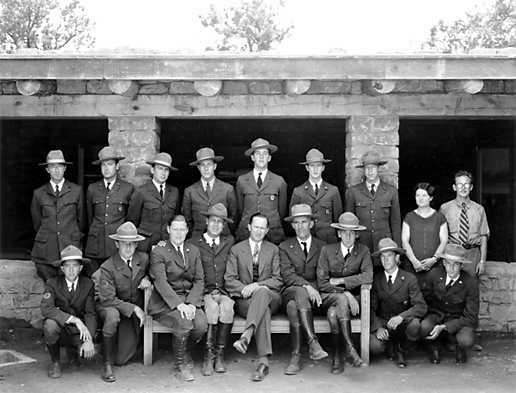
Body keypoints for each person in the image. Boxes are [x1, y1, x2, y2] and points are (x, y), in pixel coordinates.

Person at [148, 215, 207, 382]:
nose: (179, 233)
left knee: (201, 325)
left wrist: (191, 304)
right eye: (175, 229)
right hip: (165, 302)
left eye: (182, 229)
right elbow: (160, 281)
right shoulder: (159, 251)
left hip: (189, 300)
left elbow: (199, 280)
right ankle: (180, 365)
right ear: (168, 229)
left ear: (187, 231)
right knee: (184, 322)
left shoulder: (193, 250)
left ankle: (184, 351)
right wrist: (180, 305)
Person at [225, 213, 283, 382]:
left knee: (263, 292)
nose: (258, 231)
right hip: (245, 301)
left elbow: (278, 279)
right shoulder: (236, 249)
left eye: (262, 228)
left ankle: (247, 335)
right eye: (256, 227)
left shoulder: (273, 249)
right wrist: (245, 289)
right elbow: (229, 279)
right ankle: (263, 362)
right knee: (262, 310)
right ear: (249, 227)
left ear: (267, 230)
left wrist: (256, 286)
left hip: (271, 297)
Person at [317, 212, 373, 373]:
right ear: (339, 233)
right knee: (341, 300)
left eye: (352, 233)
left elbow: (368, 276)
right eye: (344, 232)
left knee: (333, 315)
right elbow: (322, 283)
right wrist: (346, 293)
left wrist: (342, 281)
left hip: (352, 301)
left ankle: (337, 356)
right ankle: (350, 350)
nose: (348, 236)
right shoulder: (327, 250)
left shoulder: (363, 251)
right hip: (328, 296)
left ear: (357, 234)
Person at [97, 222, 151, 383]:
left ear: (136, 244)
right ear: (116, 244)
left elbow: (153, 274)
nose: (128, 248)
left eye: (132, 244)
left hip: (134, 311)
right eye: (124, 244)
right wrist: (134, 308)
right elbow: (108, 299)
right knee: (118, 359)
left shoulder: (144, 258)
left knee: (123, 356)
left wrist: (148, 278)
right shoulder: (107, 267)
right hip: (115, 307)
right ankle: (106, 362)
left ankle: (135, 342)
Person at [279, 204, 328, 375]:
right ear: (292, 225)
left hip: (314, 299)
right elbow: (287, 276)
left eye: (304, 222)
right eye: (296, 223)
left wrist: (313, 289)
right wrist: (307, 287)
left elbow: (323, 275)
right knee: (298, 292)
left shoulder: (322, 246)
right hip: (290, 291)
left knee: (294, 307)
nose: (300, 226)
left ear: (311, 224)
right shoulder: (284, 246)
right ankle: (313, 342)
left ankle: (296, 356)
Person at [188, 203, 235, 375]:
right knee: (212, 308)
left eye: (220, 222)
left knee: (227, 307)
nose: (216, 225)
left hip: (223, 291)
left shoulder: (229, 242)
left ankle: (219, 355)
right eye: (213, 220)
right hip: (205, 292)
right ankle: (208, 356)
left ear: (224, 226)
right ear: (206, 221)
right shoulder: (194, 243)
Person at [369, 238, 427, 368]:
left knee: (415, 326)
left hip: (403, 323)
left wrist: (401, 317)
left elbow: (421, 306)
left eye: (389, 256)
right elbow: (371, 308)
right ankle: (390, 345)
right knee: (374, 347)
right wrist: (377, 327)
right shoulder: (376, 279)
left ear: (397, 258)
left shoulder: (409, 278)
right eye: (383, 257)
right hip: (384, 322)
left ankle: (402, 348)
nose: (386, 260)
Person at [41, 245, 96, 378]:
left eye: (75, 265)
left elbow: (90, 313)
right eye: (67, 266)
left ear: (81, 268)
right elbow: (46, 308)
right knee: (50, 325)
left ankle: (74, 351)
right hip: (62, 326)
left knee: (85, 356)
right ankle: (55, 362)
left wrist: (89, 339)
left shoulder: (88, 284)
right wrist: (74, 320)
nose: (71, 270)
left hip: (78, 331)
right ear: (62, 268)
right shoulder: (52, 283)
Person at [31, 150, 86, 281]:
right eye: (52, 166)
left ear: (65, 168)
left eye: (59, 166)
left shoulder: (76, 191)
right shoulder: (39, 193)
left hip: (69, 246)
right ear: (47, 170)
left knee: (70, 287)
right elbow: (37, 223)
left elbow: (82, 221)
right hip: (46, 251)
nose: (56, 170)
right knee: (51, 287)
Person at [420, 243, 479, 364]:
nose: (451, 268)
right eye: (448, 263)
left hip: (458, 319)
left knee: (465, 340)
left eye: (456, 264)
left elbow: (471, 317)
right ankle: (434, 345)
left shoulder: (470, 283)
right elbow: (425, 299)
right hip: (437, 315)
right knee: (424, 327)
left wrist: (445, 327)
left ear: (461, 265)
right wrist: (427, 317)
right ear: (444, 263)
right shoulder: (434, 275)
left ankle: (458, 347)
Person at [345, 151, 401, 267]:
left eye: (373, 168)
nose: (370, 171)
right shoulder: (353, 192)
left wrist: (397, 250)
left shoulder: (391, 191)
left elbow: (395, 223)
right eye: (367, 168)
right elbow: (348, 224)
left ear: (378, 169)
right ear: (363, 170)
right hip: (361, 244)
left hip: (384, 245)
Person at [84, 146, 134, 276]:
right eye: (103, 165)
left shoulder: (127, 189)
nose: (106, 168)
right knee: (95, 280)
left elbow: (130, 219)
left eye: (110, 164)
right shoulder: (92, 189)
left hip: (115, 245)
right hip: (95, 245)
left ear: (117, 166)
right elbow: (89, 217)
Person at [235, 138, 288, 244]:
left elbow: (282, 211)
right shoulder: (242, 180)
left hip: (273, 233)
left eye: (265, 153)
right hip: (247, 233)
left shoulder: (279, 181)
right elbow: (240, 209)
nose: (261, 157)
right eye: (258, 153)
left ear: (269, 158)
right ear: (252, 157)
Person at [127, 152, 180, 252]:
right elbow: (132, 221)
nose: (163, 173)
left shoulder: (174, 192)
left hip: (167, 245)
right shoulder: (141, 191)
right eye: (160, 168)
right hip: (145, 246)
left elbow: (174, 220)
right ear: (152, 170)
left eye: (166, 170)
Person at [440, 170, 490, 277]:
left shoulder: (479, 209)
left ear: (471, 187)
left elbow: (484, 237)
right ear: (454, 187)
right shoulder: (445, 208)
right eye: (460, 184)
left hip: (472, 255)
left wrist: (482, 261)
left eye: (466, 184)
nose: (463, 187)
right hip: (452, 254)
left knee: (471, 288)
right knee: (452, 288)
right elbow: (440, 236)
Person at [289, 149, 343, 244]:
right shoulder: (298, 191)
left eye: (318, 166)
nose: (315, 169)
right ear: (307, 168)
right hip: (307, 239)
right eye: (312, 166)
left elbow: (338, 220)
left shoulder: (333, 191)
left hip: (328, 241)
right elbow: (293, 219)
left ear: (323, 168)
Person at [182, 147, 237, 238]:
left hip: (222, 238)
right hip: (198, 239)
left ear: (215, 166)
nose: (206, 168)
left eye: (209, 164)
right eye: (202, 165)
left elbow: (234, 215)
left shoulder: (228, 189)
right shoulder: (189, 191)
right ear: (198, 168)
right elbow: (187, 219)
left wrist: (225, 231)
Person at [401, 182, 448, 286]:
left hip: (435, 267)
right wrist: (414, 261)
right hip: (412, 266)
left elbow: (444, 240)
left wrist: (434, 259)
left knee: (435, 296)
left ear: (430, 198)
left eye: (424, 195)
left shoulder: (439, 217)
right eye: (418, 195)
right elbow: (404, 241)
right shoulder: (409, 217)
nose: (420, 198)